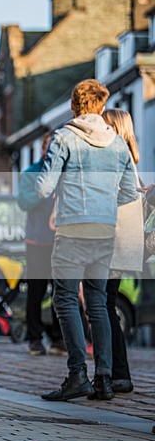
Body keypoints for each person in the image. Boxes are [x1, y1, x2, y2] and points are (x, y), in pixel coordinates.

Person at [36, 79, 137, 401]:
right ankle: (104, 378)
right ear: (101, 107)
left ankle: (77, 374)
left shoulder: (64, 138)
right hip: (105, 230)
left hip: (72, 230)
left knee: (65, 300)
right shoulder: (118, 145)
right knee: (98, 305)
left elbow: (43, 188)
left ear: (73, 106)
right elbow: (128, 193)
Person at [99, 108, 143, 395]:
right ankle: (117, 372)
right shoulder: (127, 157)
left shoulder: (116, 158)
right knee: (105, 303)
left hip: (114, 241)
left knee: (104, 305)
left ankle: (118, 372)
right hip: (123, 241)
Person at [17, 132, 66, 356]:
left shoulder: (65, 172)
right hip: (36, 241)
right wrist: (45, 191)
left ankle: (58, 339)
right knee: (36, 291)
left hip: (60, 240)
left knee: (61, 291)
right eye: (49, 146)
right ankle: (34, 338)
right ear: (43, 149)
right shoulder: (30, 174)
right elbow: (24, 202)